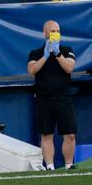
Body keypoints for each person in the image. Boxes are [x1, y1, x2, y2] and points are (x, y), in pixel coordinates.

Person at [27, 20, 77, 170]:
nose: (55, 34)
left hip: (63, 98)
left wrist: (58, 54)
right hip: (44, 99)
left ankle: (69, 165)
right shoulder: (35, 53)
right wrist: (45, 56)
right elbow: (32, 70)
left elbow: (69, 68)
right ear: (45, 33)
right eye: (52, 31)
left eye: (57, 31)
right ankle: (50, 166)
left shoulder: (67, 50)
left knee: (70, 135)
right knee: (46, 135)